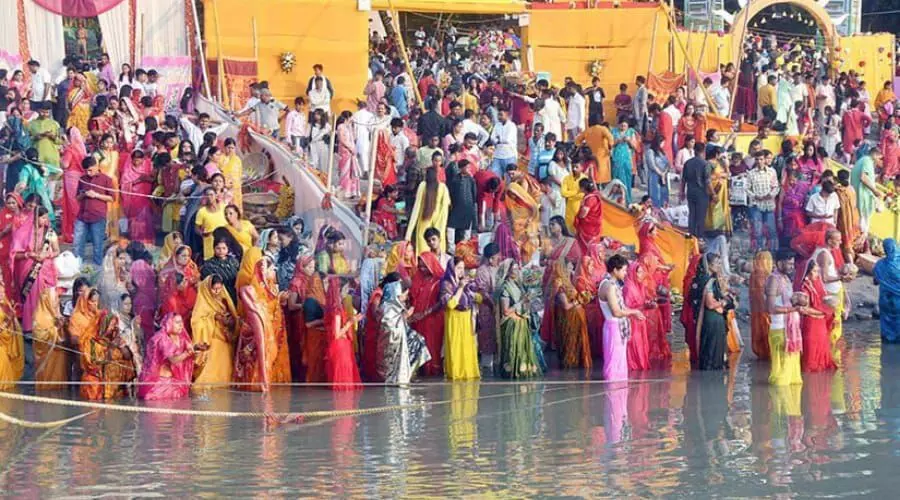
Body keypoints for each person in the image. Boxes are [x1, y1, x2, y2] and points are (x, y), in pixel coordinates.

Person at [234, 258, 282, 392]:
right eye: (271, 269)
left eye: (273, 270)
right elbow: (255, 316)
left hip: (270, 331)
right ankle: (259, 383)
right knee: (253, 360)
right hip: (255, 331)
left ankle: (264, 381)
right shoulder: (250, 291)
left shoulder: (272, 289)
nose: (273, 272)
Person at [9, 206, 58, 333]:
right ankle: (29, 328)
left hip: (45, 268)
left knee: (44, 298)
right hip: (27, 271)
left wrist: (46, 255)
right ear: (34, 218)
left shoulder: (50, 233)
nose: (46, 220)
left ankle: (44, 327)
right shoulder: (23, 233)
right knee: (30, 298)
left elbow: (57, 250)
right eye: (43, 217)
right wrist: (28, 255)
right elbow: (15, 254)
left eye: (47, 217)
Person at [378, 280, 431, 386]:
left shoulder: (395, 306)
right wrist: (405, 316)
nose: (405, 297)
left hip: (399, 342)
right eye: (404, 294)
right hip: (392, 345)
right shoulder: (388, 308)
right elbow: (389, 327)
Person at [599, 255, 643, 381]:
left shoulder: (609, 283)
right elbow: (617, 312)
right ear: (615, 270)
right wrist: (634, 312)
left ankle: (617, 393)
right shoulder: (609, 286)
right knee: (615, 362)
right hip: (614, 326)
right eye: (623, 270)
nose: (625, 273)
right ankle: (613, 391)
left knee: (617, 359)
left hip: (614, 326)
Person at [138, 313, 201, 400]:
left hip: (175, 384)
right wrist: (188, 353)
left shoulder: (182, 338)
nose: (181, 325)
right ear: (169, 323)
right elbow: (173, 360)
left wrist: (196, 351)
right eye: (177, 322)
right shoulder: (161, 338)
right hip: (160, 387)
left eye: (181, 322)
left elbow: (190, 355)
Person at [496, 259, 541, 378]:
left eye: (517, 268)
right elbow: (505, 311)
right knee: (513, 352)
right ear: (508, 270)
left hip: (522, 323)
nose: (516, 271)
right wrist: (521, 302)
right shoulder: (505, 287)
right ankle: (511, 372)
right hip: (512, 325)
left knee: (523, 353)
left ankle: (521, 371)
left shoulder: (518, 285)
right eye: (513, 268)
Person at [191, 275, 238, 388]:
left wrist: (229, 320)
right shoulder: (203, 301)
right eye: (214, 289)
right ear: (208, 288)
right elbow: (197, 321)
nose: (217, 292)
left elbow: (233, 317)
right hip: (212, 337)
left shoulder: (224, 299)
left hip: (225, 335)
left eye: (219, 288)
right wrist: (213, 317)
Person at [766, 248, 803, 386]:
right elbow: (770, 308)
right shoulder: (773, 280)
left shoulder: (786, 279)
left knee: (791, 375)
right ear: (779, 263)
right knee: (781, 373)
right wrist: (793, 309)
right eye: (789, 264)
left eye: (793, 264)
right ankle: (778, 404)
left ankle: (789, 404)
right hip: (779, 328)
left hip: (790, 328)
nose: (791, 267)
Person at [440, 257, 480, 380]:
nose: (461, 271)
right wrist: (461, 288)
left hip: (467, 319)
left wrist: (472, 291)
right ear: (452, 268)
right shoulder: (446, 284)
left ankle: (468, 374)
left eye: (463, 268)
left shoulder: (467, 283)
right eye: (458, 268)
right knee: (456, 347)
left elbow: (479, 298)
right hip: (455, 319)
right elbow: (451, 304)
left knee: (468, 348)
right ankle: (456, 375)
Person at [691, 253, 732, 371]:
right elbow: (710, 304)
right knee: (712, 354)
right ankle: (711, 383)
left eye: (720, 263)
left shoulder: (703, 279)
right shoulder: (707, 281)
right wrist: (724, 302)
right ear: (708, 265)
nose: (719, 266)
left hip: (711, 320)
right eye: (716, 264)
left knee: (711, 352)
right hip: (712, 321)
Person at [547, 260, 591, 370]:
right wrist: (578, 301)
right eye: (569, 266)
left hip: (575, 318)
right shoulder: (559, 283)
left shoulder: (568, 281)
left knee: (575, 341)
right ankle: (569, 363)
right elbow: (565, 305)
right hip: (567, 319)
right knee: (569, 341)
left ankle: (574, 361)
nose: (571, 268)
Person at [74, 156, 114, 266]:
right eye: (86, 170)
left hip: (98, 216)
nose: (88, 173)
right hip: (82, 216)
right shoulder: (82, 179)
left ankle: (98, 267)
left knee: (98, 244)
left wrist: (96, 195)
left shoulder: (106, 179)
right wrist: (84, 194)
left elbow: (111, 198)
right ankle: (77, 266)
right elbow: (77, 198)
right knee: (78, 243)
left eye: (90, 170)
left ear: (97, 166)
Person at [324, 276, 362, 390]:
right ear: (338, 291)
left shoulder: (334, 307)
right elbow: (337, 334)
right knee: (344, 386)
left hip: (341, 347)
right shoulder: (336, 310)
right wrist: (351, 322)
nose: (347, 292)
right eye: (345, 289)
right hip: (340, 348)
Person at [799, 260, 837, 372]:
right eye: (814, 271)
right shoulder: (804, 288)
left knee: (823, 350)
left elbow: (824, 299)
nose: (816, 274)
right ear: (807, 273)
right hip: (811, 324)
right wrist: (823, 313)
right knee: (811, 355)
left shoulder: (818, 283)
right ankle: (811, 384)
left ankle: (819, 383)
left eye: (817, 271)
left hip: (821, 324)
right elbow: (804, 310)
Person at [406, 167, 451, 256]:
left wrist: (408, 234)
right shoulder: (443, 187)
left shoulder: (422, 186)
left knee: (423, 244)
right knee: (437, 242)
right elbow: (447, 205)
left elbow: (416, 207)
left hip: (424, 218)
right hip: (438, 219)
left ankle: (424, 262)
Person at [158, 245, 200, 327]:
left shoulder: (192, 268)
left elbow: (198, 283)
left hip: (191, 305)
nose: (186, 258)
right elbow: (164, 292)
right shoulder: (167, 271)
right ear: (176, 256)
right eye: (183, 256)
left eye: (188, 256)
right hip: (175, 304)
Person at [746, 149, 779, 251]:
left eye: (761, 159)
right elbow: (747, 188)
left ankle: (772, 253)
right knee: (757, 231)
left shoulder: (771, 172)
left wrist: (770, 195)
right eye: (757, 159)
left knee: (771, 230)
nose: (759, 161)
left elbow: (776, 187)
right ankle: (759, 253)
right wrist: (755, 196)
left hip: (768, 204)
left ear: (765, 160)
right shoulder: (751, 173)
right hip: (756, 205)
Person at [851, 149, 883, 239]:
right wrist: (875, 191)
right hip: (862, 200)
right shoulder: (867, 161)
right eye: (880, 158)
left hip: (859, 199)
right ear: (875, 155)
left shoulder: (863, 160)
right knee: (862, 228)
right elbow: (863, 178)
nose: (880, 161)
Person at [0, 272, 24, 390]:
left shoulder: (5, 305)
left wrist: (11, 319)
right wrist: (8, 319)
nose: (1, 295)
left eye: (2, 292)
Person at [574, 119, 614, 184]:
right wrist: (610, 148)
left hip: (590, 157)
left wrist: (583, 145)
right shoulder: (603, 129)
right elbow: (611, 138)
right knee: (603, 176)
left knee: (593, 175)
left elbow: (577, 141)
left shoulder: (587, 130)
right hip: (602, 156)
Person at [682, 141, 709, 237]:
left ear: (694, 150)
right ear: (703, 151)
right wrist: (713, 194)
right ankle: (699, 237)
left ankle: (691, 236)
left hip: (690, 192)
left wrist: (681, 192)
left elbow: (683, 179)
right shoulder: (705, 164)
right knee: (700, 217)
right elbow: (707, 181)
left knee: (692, 215)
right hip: (701, 193)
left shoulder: (688, 163)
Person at [875, 238, 900, 343]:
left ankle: (887, 345)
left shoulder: (879, 264)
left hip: (886, 299)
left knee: (886, 322)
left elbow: (876, 281)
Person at [749, 251, 773, 360]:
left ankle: (761, 352)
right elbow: (763, 293)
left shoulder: (754, 274)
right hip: (763, 309)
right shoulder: (762, 275)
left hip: (756, 309)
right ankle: (766, 352)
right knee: (765, 330)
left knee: (758, 330)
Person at [610, 117, 637, 202]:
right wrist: (617, 141)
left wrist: (629, 141)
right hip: (617, 159)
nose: (623, 128)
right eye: (621, 125)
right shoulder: (614, 131)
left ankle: (627, 199)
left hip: (627, 159)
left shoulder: (630, 132)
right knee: (617, 179)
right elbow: (610, 144)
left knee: (627, 178)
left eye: (625, 126)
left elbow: (635, 146)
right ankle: (617, 200)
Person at [574, 178, 603, 252]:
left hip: (589, 228)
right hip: (595, 226)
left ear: (583, 188)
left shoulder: (590, 199)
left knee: (587, 248)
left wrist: (578, 215)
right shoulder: (596, 194)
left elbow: (583, 214)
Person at [644, 135, 670, 207]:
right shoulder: (650, 151)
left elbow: (668, 163)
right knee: (655, 194)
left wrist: (664, 172)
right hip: (654, 176)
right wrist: (660, 173)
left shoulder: (662, 152)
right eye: (662, 142)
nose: (663, 144)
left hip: (663, 176)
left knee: (663, 193)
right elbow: (652, 165)